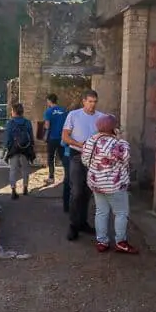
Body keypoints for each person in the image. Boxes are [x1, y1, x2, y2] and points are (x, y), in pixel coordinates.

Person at [82, 113, 138, 254]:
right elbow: (126, 158)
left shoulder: (90, 141)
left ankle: (102, 242)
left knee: (101, 212)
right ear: (113, 128)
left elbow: (84, 160)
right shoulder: (118, 143)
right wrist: (121, 139)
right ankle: (120, 242)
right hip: (115, 185)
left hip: (96, 183)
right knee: (121, 213)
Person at [61, 89, 103, 240]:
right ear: (83, 101)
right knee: (77, 191)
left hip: (95, 158)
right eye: (90, 101)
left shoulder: (101, 117)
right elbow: (65, 136)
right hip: (77, 155)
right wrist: (79, 144)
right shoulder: (74, 115)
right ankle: (73, 225)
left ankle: (83, 222)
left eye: (94, 102)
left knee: (87, 192)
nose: (92, 105)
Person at [2, 103, 36, 200]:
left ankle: (13, 189)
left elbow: (8, 138)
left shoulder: (10, 123)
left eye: (12, 111)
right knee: (25, 169)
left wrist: (6, 149)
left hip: (14, 149)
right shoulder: (27, 122)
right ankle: (25, 187)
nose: (11, 112)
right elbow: (31, 136)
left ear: (15, 112)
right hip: (25, 148)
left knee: (13, 170)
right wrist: (31, 146)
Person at [42, 94, 68, 182]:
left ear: (49, 101)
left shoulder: (48, 111)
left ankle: (51, 178)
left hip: (52, 138)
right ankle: (67, 176)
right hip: (62, 138)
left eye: (47, 101)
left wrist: (45, 135)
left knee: (51, 157)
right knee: (63, 157)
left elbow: (47, 125)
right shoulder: (64, 111)